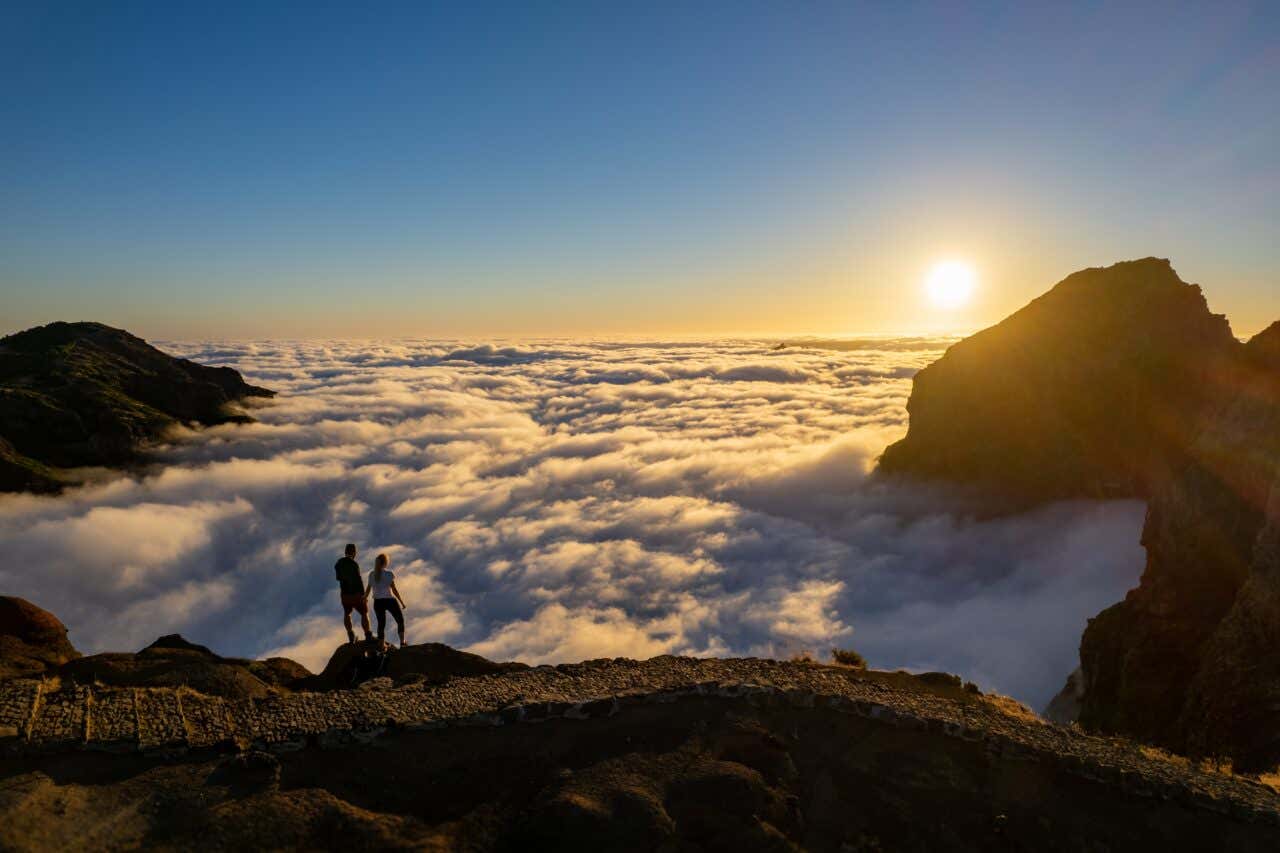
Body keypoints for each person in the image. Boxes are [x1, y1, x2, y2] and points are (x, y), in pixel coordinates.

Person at [365, 553, 407, 647]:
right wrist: (401, 602)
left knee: (381, 624)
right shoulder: (389, 574)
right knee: (400, 620)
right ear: (385, 563)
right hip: (389, 601)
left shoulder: (371, 574)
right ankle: (402, 642)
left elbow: (368, 589)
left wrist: (364, 598)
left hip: (377, 602)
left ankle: (381, 645)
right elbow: (394, 590)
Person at [335, 543, 372, 644]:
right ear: (354, 552)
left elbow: (338, 578)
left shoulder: (338, 563)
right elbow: (358, 579)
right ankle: (368, 635)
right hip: (356, 593)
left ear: (345, 551)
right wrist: (364, 595)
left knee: (347, 613)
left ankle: (350, 634)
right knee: (364, 613)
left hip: (344, 594)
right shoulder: (354, 564)